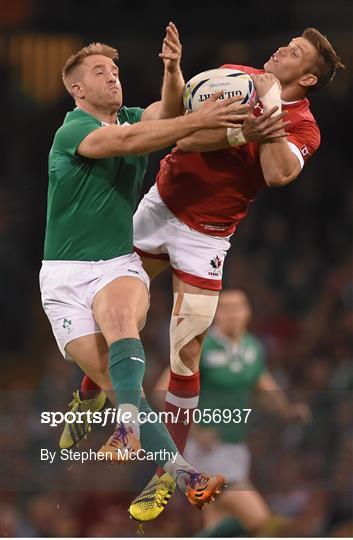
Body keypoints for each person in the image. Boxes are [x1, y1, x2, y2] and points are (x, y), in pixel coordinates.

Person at [59, 28, 344, 522]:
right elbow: (182, 129)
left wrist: (268, 115)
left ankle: (165, 477)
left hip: (206, 237)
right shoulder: (236, 78)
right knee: (106, 304)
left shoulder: (306, 127)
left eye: (294, 52)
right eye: (286, 43)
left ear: (309, 77)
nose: (280, 49)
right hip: (160, 205)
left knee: (187, 353)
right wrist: (229, 123)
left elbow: (277, 173)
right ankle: (88, 394)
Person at [40, 22, 249, 516]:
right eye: (99, 72)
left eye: (114, 70)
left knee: (119, 324)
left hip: (116, 263)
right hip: (62, 279)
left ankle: (130, 430)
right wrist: (203, 122)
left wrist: (174, 71)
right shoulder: (73, 130)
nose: (113, 77)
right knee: (119, 387)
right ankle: (185, 474)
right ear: (77, 88)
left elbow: (164, 113)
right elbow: (137, 140)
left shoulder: (130, 115)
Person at [174, 289, 310, 537]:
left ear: (248, 313)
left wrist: (288, 410)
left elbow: (262, 385)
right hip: (207, 451)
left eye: (239, 307)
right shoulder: (200, 346)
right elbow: (164, 392)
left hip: (237, 449)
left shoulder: (252, 347)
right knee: (260, 520)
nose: (233, 314)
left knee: (218, 525)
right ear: (216, 314)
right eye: (225, 308)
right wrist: (196, 431)